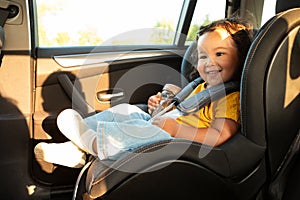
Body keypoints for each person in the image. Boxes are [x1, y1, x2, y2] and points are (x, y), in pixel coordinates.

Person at [34, 18, 253, 168]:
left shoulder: (228, 97)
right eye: (203, 56)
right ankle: (77, 149)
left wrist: (175, 129)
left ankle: (93, 144)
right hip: (170, 122)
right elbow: (187, 104)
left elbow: (220, 134)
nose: (209, 63)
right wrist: (166, 100)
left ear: (241, 58)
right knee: (126, 111)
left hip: (180, 140)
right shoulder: (203, 86)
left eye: (220, 54)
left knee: (143, 129)